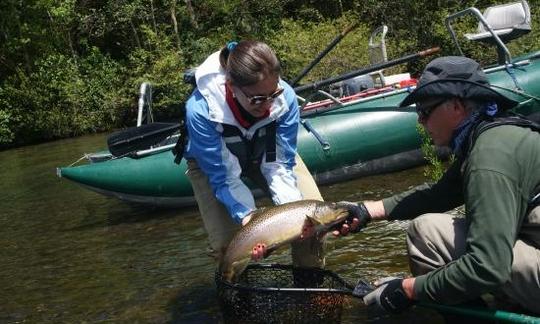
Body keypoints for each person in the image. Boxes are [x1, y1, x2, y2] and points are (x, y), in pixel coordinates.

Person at [335, 56, 540, 315]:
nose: (420, 120)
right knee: (431, 226)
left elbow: (488, 267)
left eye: (425, 111)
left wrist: (407, 289)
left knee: (426, 233)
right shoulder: (494, 135)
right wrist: (367, 210)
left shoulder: (489, 157)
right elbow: (440, 195)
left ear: (455, 106)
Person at [183, 40, 325, 269]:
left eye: (273, 93)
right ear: (231, 86)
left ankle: (311, 289)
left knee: (314, 223)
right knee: (226, 245)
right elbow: (224, 178)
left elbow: (279, 166)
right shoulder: (200, 111)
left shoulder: (286, 99)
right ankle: (234, 284)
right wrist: (250, 219)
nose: (268, 104)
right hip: (216, 168)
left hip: (268, 157)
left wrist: (291, 222)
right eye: (257, 99)